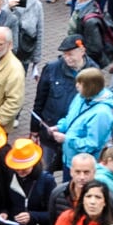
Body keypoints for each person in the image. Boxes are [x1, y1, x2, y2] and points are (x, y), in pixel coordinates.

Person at [32, 37, 88, 168]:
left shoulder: (92, 73)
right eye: (64, 54)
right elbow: (40, 99)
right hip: (50, 133)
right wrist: (34, 129)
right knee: (44, 172)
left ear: (82, 51)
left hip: (75, 138)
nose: (67, 58)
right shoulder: (51, 68)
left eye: (70, 54)